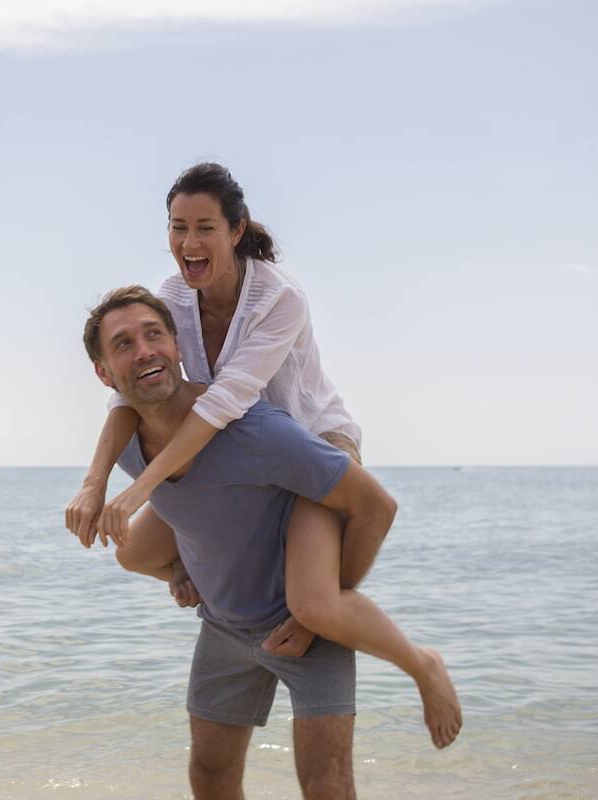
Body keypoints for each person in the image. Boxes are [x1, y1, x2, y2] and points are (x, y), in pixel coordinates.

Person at [65, 163, 462, 748]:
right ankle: (193, 576)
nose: (189, 242)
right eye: (178, 227)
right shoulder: (172, 298)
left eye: (205, 227)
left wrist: (138, 489)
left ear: (235, 229)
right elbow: (129, 396)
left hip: (308, 448)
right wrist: (94, 484)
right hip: (238, 455)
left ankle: (420, 662)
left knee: (315, 602)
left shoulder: (279, 297)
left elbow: (224, 402)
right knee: (132, 551)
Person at [81, 286, 399, 798]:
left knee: (325, 782)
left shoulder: (258, 431)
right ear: (104, 374)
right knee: (209, 773)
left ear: (178, 346)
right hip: (225, 626)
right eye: (123, 344)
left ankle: (423, 667)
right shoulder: (129, 446)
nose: (143, 351)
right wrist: (182, 570)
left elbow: (376, 507)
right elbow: (203, 513)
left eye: (154, 335)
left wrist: (323, 608)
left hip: (304, 624)